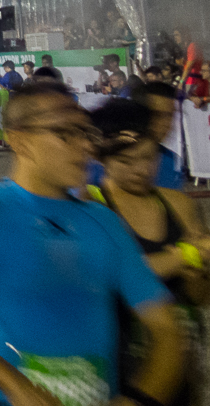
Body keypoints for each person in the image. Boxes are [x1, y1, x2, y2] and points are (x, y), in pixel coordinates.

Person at [0, 83, 185, 406]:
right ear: (19, 140)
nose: (85, 147)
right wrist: (15, 385)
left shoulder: (104, 223)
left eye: (86, 133)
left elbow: (167, 329)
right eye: (67, 133)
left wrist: (137, 400)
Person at [88, 99, 209, 406]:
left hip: (179, 365)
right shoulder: (91, 207)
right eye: (127, 162)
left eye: (148, 157)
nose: (142, 170)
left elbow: (198, 297)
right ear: (102, 159)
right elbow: (114, 275)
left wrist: (199, 271)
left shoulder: (178, 204)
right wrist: (187, 255)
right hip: (119, 369)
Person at [174, 27, 203, 92]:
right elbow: (182, 63)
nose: (175, 37)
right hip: (188, 78)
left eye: (177, 35)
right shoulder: (185, 47)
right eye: (174, 35)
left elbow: (188, 67)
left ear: (184, 35)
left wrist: (181, 82)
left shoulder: (192, 46)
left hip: (194, 79)